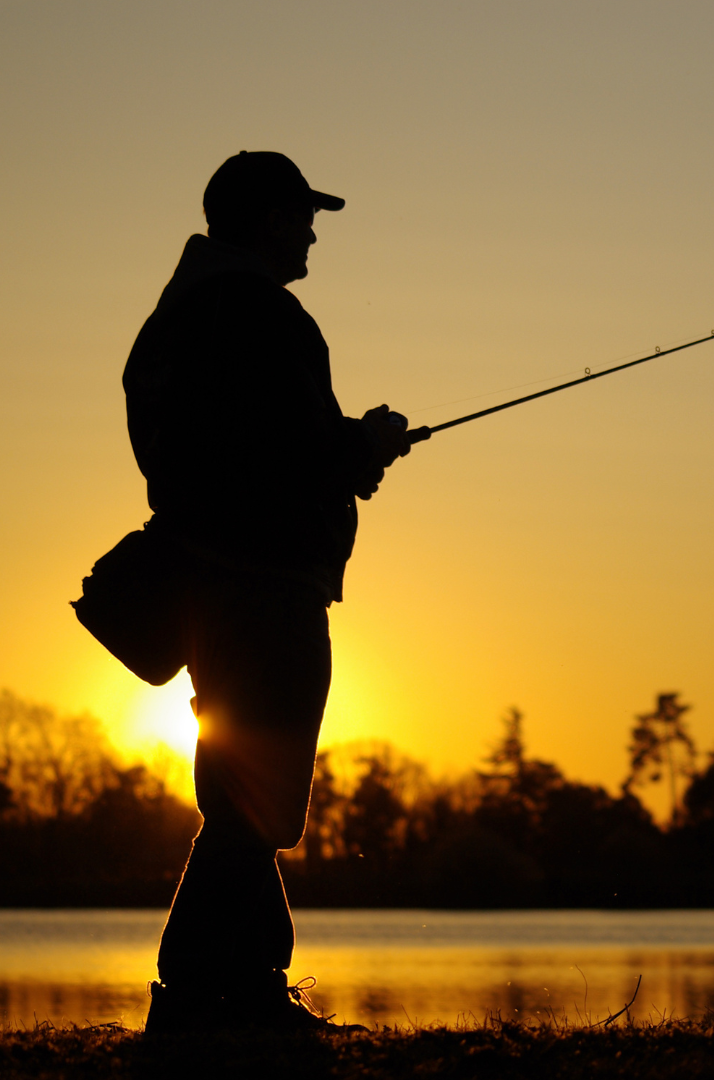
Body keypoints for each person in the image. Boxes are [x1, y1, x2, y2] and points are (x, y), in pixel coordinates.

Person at [122, 151, 419, 1032]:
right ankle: (198, 995)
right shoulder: (262, 313)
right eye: (301, 216)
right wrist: (362, 446)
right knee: (261, 796)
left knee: (246, 793)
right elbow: (286, 452)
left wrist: (340, 453)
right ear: (261, 220)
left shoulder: (175, 318)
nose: (313, 233)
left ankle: (243, 989)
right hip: (265, 585)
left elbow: (226, 451)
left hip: (211, 583)